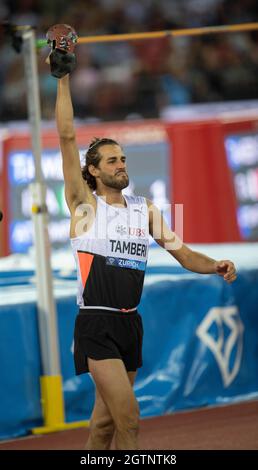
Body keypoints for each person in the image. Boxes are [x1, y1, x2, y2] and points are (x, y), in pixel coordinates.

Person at [53, 29, 237, 451]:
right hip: (96, 323)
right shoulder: (85, 206)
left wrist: (216, 265)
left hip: (130, 322)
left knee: (103, 427)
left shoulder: (145, 209)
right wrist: (62, 76)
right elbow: (66, 137)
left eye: (124, 158)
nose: (122, 164)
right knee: (130, 418)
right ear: (94, 171)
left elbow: (183, 253)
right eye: (112, 160)